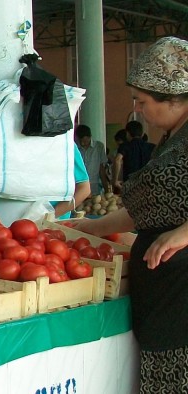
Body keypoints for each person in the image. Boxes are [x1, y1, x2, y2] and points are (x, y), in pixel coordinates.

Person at [71, 36, 188, 393]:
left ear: (175, 100)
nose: (136, 109)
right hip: (165, 297)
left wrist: (183, 233)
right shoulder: (172, 139)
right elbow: (141, 211)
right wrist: (88, 227)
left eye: (143, 101)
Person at [111, 120, 156, 193]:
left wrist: (115, 180)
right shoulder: (151, 147)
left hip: (130, 185)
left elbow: (117, 160)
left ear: (127, 133)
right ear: (141, 134)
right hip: (147, 183)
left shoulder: (125, 146)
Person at [51, 144, 91, 219]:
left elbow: (84, 189)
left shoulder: (65, 143)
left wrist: (52, 215)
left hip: (53, 223)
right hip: (23, 219)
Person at [75, 124, 109, 195]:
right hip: (78, 186)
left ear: (90, 137)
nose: (83, 144)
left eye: (85, 141)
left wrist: (106, 189)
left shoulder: (99, 147)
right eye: (81, 141)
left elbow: (101, 169)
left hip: (94, 186)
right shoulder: (74, 148)